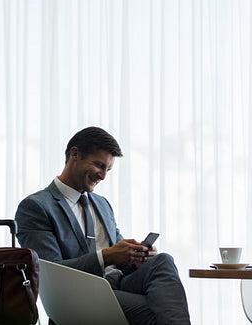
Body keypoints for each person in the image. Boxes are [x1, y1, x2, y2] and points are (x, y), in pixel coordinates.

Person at [14, 126, 191, 325]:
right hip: (79, 296)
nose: (103, 176)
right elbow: (51, 272)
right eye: (99, 165)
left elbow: (119, 254)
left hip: (119, 284)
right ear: (75, 154)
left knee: (163, 261)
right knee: (157, 308)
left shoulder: (102, 204)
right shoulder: (36, 206)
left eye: (108, 169)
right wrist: (106, 257)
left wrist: (135, 258)